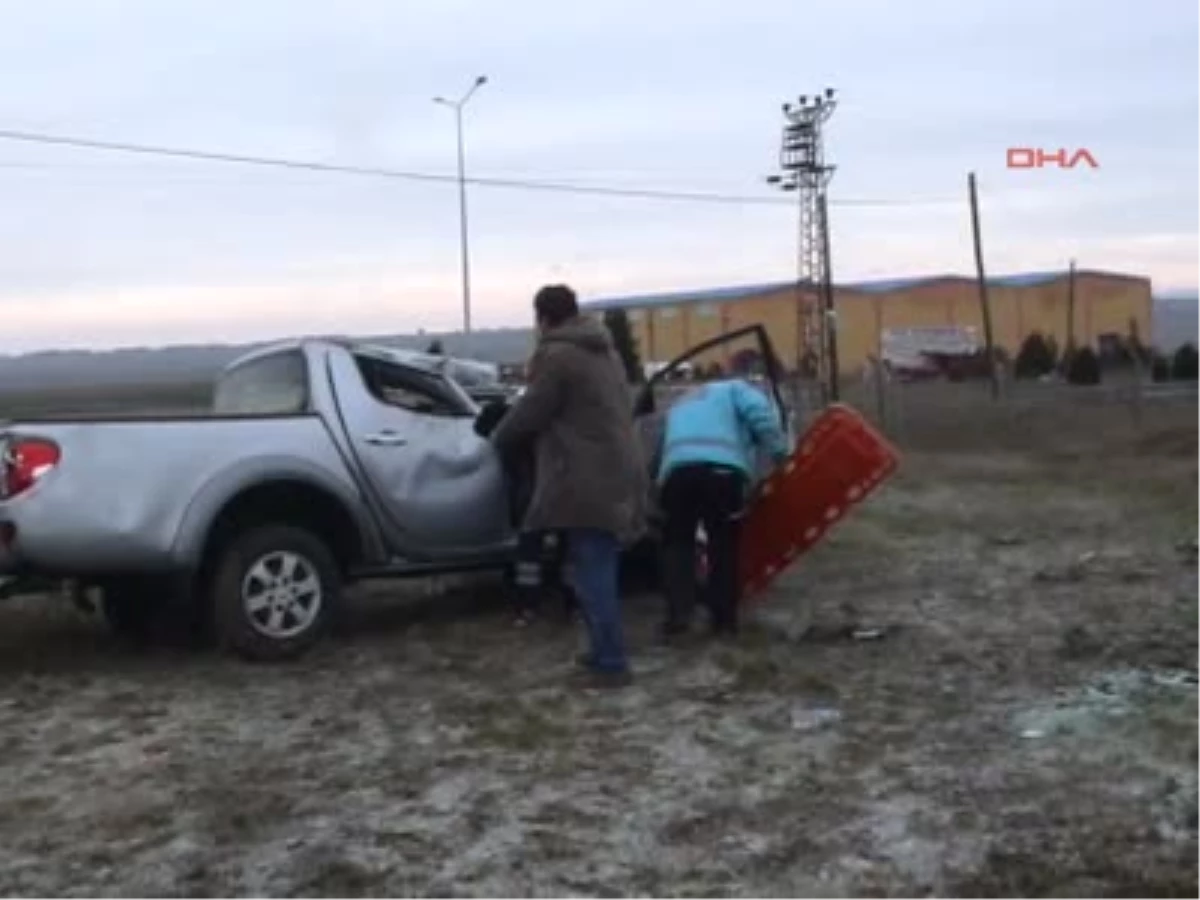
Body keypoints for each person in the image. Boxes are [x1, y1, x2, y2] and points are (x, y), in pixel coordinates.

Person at [490, 284, 647, 688]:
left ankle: (611, 664)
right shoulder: (603, 350)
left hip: (586, 475)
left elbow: (531, 410)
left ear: (542, 319)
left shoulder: (557, 356)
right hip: (617, 468)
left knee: (593, 568)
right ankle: (601, 652)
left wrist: (496, 439)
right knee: (595, 563)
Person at [656, 378, 790, 642]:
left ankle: (679, 617)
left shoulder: (683, 400)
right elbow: (760, 416)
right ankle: (723, 621)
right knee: (723, 545)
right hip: (721, 473)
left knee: (677, 544)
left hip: (676, 473)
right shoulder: (737, 389)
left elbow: (663, 444)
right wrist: (780, 453)